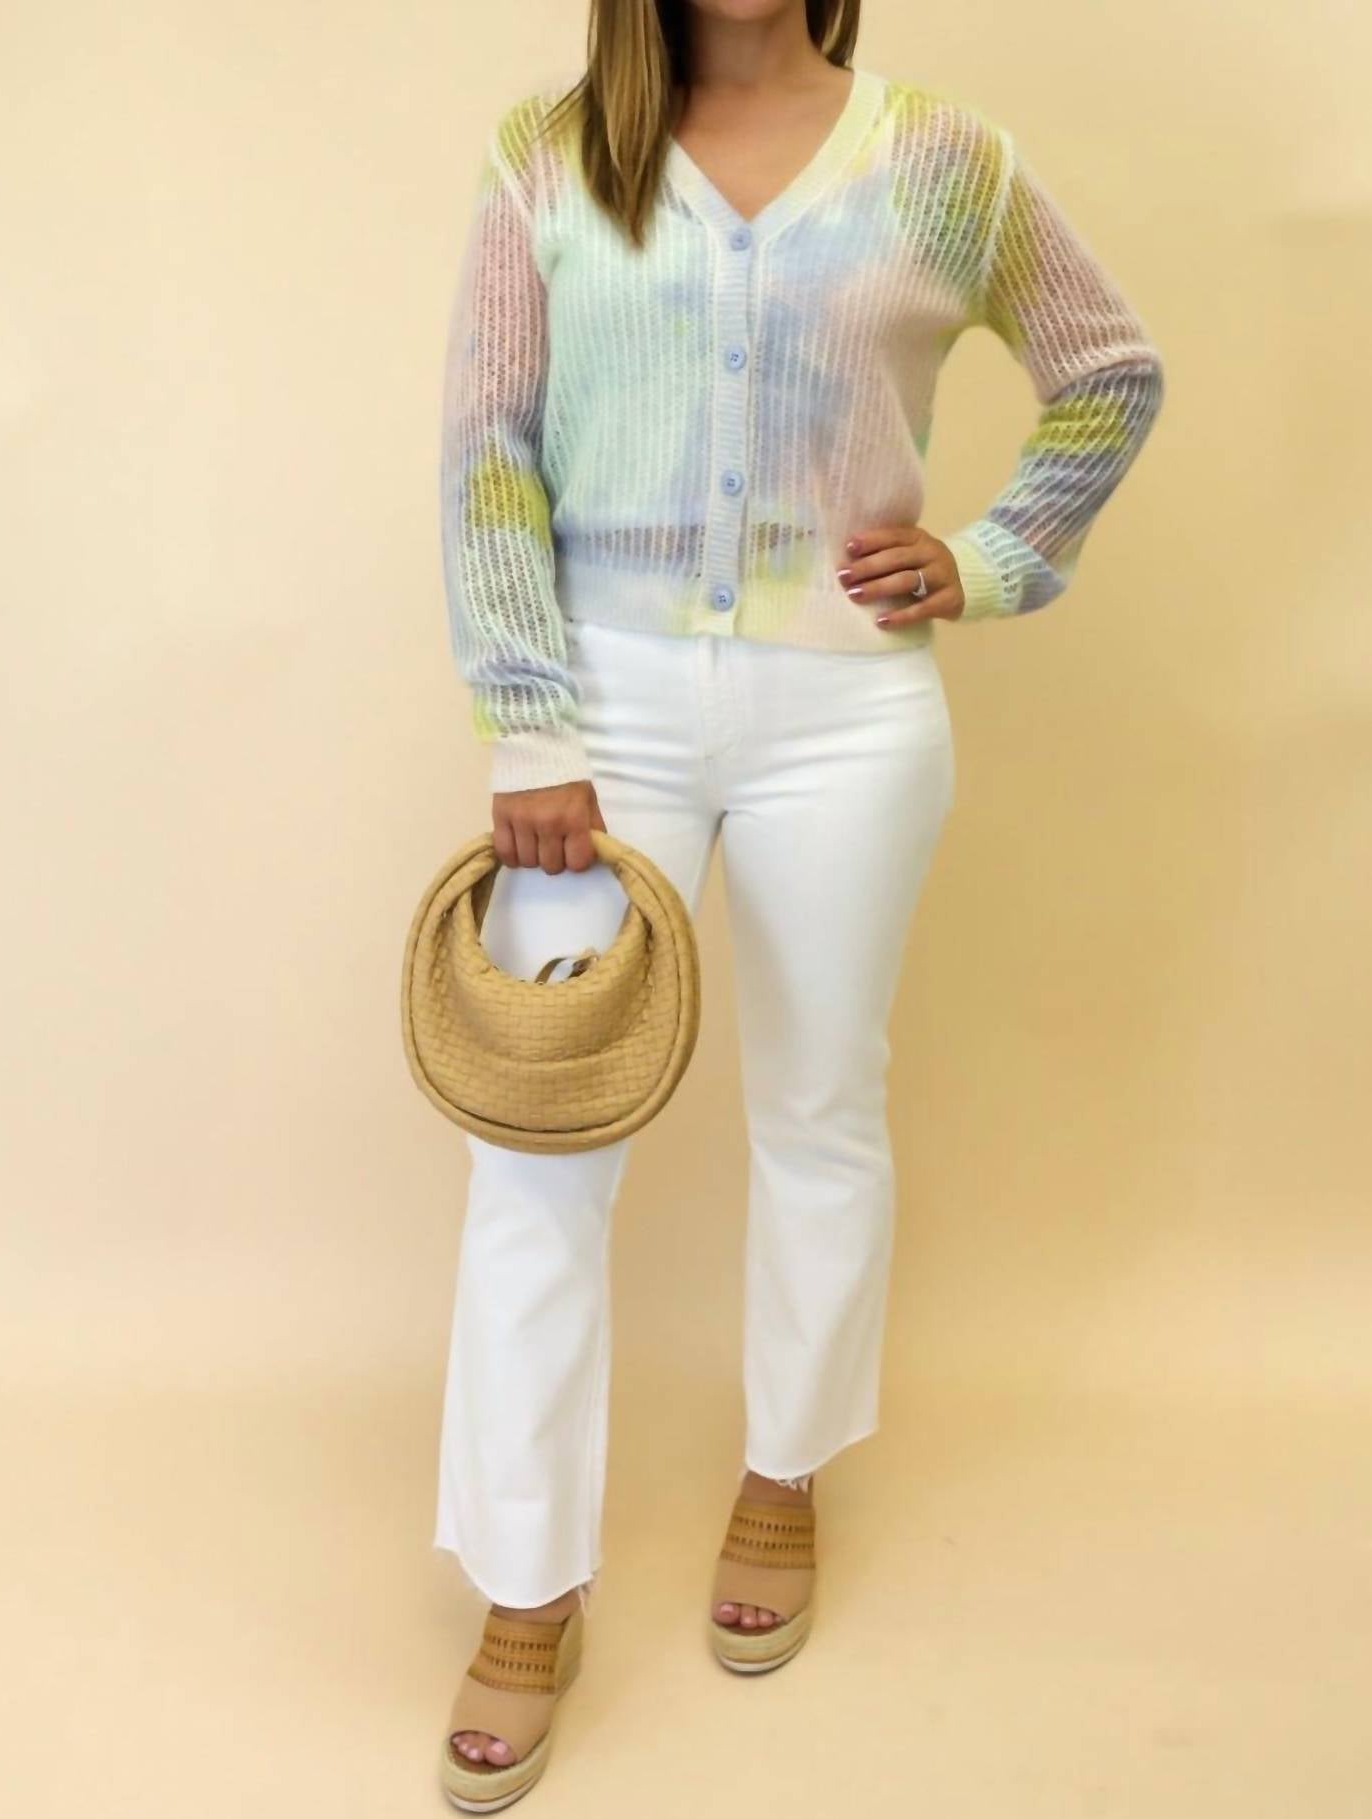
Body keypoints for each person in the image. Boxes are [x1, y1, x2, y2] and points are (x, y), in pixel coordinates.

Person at [430, 0, 1165, 1804]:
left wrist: (992, 556)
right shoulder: (550, 155)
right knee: (541, 1143)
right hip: (601, 710)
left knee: (823, 1101)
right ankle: (526, 1581)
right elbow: (487, 446)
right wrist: (530, 724)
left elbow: (1110, 371)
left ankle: (785, 1471)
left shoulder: (943, 160)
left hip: (849, 713)